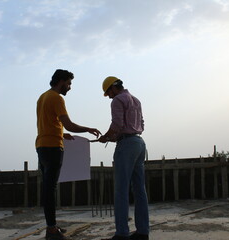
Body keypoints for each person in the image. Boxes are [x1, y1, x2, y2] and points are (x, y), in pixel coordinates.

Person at [36, 69, 101, 240]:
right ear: (61, 81)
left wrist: (61, 133)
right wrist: (88, 128)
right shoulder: (57, 98)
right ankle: (51, 230)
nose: (70, 87)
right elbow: (69, 124)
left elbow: (48, 123)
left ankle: (52, 226)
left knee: (48, 189)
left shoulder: (43, 97)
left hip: (42, 146)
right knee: (50, 190)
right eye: (69, 83)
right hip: (52, 148)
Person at [97, 76, 149, 240]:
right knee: (140, 190)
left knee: (121, 191)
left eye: (108, 93)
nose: (109, 96)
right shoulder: (136, 100)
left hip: (126, 145)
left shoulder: (118, 100)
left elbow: (117, 125)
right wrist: (114, 137)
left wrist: (106, 137)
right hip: (139, 143)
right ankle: (142, 232)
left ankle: (122, 234)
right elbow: (141, 124)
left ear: (113, 88)